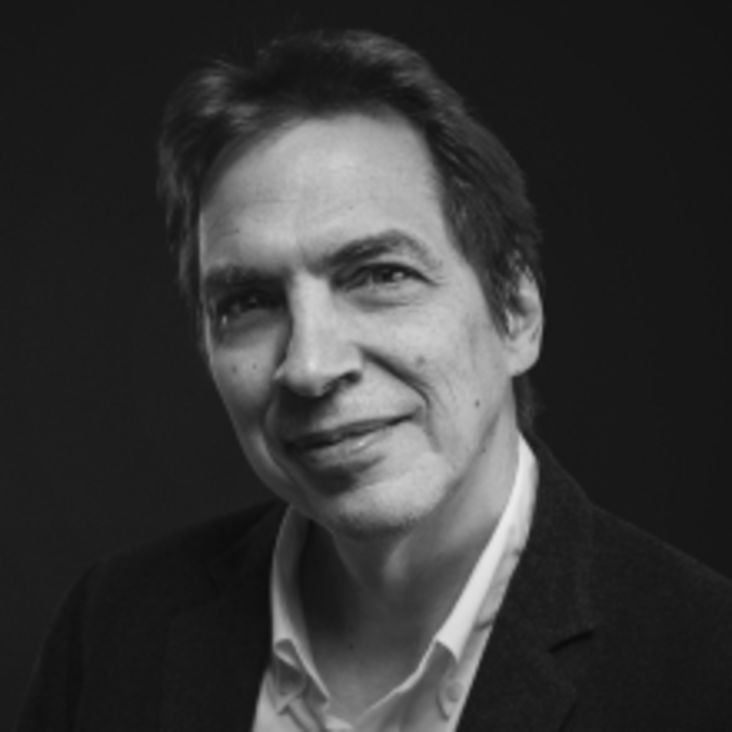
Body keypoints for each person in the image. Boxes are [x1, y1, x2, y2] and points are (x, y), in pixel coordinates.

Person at [17, 28, 732, 731]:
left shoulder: (705, 668)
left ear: (515, 312)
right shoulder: (112, 630)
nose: (309, 366)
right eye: (250, 302)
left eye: (381, 275)